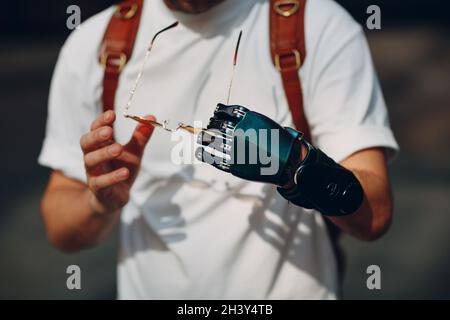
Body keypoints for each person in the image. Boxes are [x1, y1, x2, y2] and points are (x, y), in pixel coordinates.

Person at [39, 0, 399, 299]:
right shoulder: (96, 45)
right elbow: (60, 226)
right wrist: (99, 203)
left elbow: (374, 215)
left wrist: (294, 165)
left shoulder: (316, 25)